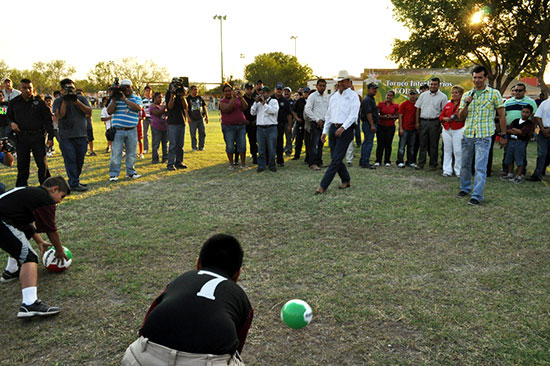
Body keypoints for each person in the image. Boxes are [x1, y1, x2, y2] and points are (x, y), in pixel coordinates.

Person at [122, 234, 253, 366]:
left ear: (197, 264)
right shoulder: (240, 298)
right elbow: (235, 349)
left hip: (144, 357)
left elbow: (146, 323)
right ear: (238, 275)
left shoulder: (181, 280)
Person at [0, 176, 69, 318]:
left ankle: (11, 271)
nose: (59, 201)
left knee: (18, 241)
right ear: (54, 189)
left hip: (5, 219)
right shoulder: (45, 199)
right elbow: (51, 229)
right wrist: (59, 251)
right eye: (61, 196)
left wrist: (39, 241)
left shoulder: (31, 193)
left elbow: (23, 222)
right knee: (29, 257)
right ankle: (29, 304)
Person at [456, 65, 506, 206]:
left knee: (480, 166)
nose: (477, 80)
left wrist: (503, 134)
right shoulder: (467, 95)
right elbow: (460, 117)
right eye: (475, 78)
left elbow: (502, 115)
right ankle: (465, 188)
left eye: (480, 77)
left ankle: (477, 195)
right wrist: (466, 104)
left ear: (485, 78)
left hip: (484, 135)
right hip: (468, 134)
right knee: (465, 164)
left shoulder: (494, 94)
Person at [315, 74, 360, 194]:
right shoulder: (334, 97)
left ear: (348, 82)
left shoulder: (353, 96)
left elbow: (353, 115)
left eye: (343, 81)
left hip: (346, 130)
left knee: (335, 159)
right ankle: (346, 180)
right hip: (333, 129)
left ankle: (323, 186)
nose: (340, 84)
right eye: (339, 82)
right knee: (335, 157)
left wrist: (343, 127)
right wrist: (325, 131)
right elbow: (329, 115)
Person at [7, 79, 53, 187]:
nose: (27, 90)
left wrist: (50, 137)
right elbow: (8, 117)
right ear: (20, 88)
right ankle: (21, 188)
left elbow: (48, 121)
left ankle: (46, 187)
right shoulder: (14, 102)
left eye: (30, 88)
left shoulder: (39, 103)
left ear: (33, 89)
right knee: (22, 165)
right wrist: (12, 123)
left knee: (42, 164)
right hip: (21, 137)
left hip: (37, 136)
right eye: (24, 88)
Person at [52, 80, 92, 192]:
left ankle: (75, 180)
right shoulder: (58, 100)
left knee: (80, 160)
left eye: (72, 88)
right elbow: (60, 115)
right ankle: (74, 183)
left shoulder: (81, 99)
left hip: (81, 134)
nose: (70, 91)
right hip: (66, 136)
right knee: (70, 159)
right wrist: (65, 100)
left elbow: (89, 112)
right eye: (67, 89)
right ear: (62, 90)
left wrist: (76, 102)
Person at [107, 79, 143, 181]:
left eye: (128, 86)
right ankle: (114, 174)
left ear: (132, 87)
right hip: (118, 130)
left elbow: (138, 108)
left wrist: (125, 100)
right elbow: (109, 112)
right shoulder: (115, 99)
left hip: (132, 129)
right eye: (125, 87)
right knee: (116, 153)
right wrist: (114, 99)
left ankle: (130, 172)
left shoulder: (136, 98)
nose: (127, 89)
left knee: (131, 153)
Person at [502, 83, 537, 173]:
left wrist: (531, 130)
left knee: (521, 152)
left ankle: (521, 171)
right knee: (508, 151)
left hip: (523, 131)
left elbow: (534, 117)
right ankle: (507, 170)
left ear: (525, 91)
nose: (517, 92)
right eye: (515, 90)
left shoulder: (530, 102)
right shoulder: (508, 101)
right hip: (509, 130)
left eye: (520, 90)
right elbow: (503, 115)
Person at [415, 77, 448, 170]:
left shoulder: (443, 97)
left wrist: (441, 125)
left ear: (438, 85)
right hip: (423, 122)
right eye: (431, 84)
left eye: (435, 84)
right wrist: (417, 122)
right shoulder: (423, 95)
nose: (433, 86)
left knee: (434, 144)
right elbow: (418, 108)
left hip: (435, 122)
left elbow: (444, 112)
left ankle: (433, 164)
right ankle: (421, 163)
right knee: (422, 144)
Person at [500, 105, 534, 184]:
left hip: (520, 142)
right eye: (523, 112)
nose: (524, 114)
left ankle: (519, 175)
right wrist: (515, 131)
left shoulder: (529, 123)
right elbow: (509, 129)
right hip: (511, 141)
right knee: (509, 157)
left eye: (527, 112)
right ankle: (510, 173)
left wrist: (515, 130)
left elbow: (523, 132)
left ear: (530, 114)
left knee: (519, 158)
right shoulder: (516, 121)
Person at [219, 84, 248, 170]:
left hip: (240, 126)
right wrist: (234, 99)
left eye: (229, 90)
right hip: (228, 127)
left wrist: (241, 97)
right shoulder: (222, 102)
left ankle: (243, 163)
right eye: (226, 91)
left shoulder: (238, 99)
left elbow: (245, 107)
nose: (228, 92)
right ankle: (231, 164)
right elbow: (227, 109)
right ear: (224, 93)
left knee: (242, 145)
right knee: (230, 146)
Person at [439, 85, 466, 177]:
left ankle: (458, 171)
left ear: (461, 94)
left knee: (458, 150)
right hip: (446, 129)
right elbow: (441, 116)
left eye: (456, 93)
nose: (454, 95)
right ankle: (447, 170)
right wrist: (445, 118)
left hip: (458, 129)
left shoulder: (463, 105)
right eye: (453, 93)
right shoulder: (448, 104)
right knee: (447, 150)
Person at [251, 86, 279, 172]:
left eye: (264, 92)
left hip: (271, 127)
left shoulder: (274, 101)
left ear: (268, 93)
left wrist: (264, 104)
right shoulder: (258, 103)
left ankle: (272, 164)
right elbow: (252, 112)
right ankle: (261, 165)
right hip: (260, 128)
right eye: (261, 93)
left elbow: (274, 111)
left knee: (271, 148)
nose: (262, 94)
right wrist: (256, 103)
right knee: (261, 148)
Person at [166, 78, 190, 171]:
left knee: (180, 144)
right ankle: (170, 163)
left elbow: (186, 106)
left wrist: (182, 96)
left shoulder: (181, 94)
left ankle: (179, 162)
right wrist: (172, 95)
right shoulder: (169, 93)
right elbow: (170, 106)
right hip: (172, 122)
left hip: (181, 121)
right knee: (173, 144)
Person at [304, 79, 329, 171]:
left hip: (324, 123)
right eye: (320, 85)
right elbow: (307, 110)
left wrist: (325, 120)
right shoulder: (312, 96)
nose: (322, 87)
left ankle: (319, 162)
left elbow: (328, 110)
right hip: (315, 123)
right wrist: (316, 119)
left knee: (321, 143)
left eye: (324, 86)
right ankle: (312, 163)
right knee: (313, 144)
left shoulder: (326, 97)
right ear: (316, 86)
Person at [527, 98, 550, 182]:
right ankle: (537, 174)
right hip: (543, 132)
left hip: (546, 130)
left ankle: (542, 170)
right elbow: (537, 116)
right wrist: (543, 129)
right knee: (541, 154)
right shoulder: (545, 103)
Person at [375, 90, 399, 167]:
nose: (389, 97)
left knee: (388, 144)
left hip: (390, 126)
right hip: (381, 126)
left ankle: (387, 161)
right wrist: (383, 116)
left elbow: (397, 115)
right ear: (386, 96)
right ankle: (378, 160)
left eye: (391, 95)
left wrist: (391, 117)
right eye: (388, 95)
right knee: (380, 143)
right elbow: (376, 114)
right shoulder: (381, 104)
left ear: (393, 97)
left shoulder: (395, 106)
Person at [359, 82, 379, 169]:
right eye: (373, 88)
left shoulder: (371, 98)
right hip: (368, 124)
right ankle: (365, 162)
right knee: (368, 143)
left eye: (376, 89)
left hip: (368, 124)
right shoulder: (367, 100)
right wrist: (372, 125)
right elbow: (368, 113)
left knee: (366, 142)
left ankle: (363, 161)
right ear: (368, 89)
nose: (375, 90)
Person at [397, 89, 418, 168]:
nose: (412, 96)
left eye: (414, 94)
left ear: (416, 95)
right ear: (408, 95)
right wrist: (401, 128)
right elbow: (400, 116)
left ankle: (410, 161)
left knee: (411, 146)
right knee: (402, 146)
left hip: (413, 129)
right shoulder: (404, 104)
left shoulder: (417, 105)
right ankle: (400, 161)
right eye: (411, 94)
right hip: (405, 128)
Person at [274, 83, 292, 167]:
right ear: (275, 90)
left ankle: (280, 160)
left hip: (281, 124)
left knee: (280, 143)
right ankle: (270, 159)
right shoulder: (270, 99)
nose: (279, 91)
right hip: (271, 124)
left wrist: (290, 125)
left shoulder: (285, 101)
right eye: (278, 89)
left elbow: (289, 114)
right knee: (271, 143)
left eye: (280, 89)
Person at [187, 85, 208, 151]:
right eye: (194, 90)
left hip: (200, 118)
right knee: (193, 134)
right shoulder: (188, 99)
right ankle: (194, 147)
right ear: (191, 90)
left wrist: (206, 116)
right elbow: (186, 109)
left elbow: (204, 107)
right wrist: (188, 118)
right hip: (192, 119)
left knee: (202, 133)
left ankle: (201, 146)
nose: (196, 91)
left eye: (196, 89)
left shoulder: (199, 98)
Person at [149, 92, 169, 164]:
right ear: (154, 98)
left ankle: (165, 158)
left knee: (165, 144)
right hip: (156, 127)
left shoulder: (162, 106)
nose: (160, 99)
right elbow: (158, 113)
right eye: (159, 97)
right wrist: (165, 107)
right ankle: (155, 159)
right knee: (156, 144)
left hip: (165, 127)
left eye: (161, 97)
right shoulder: (152, 106)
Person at [291, 88, 310, 160]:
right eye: (305, 92)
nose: (306, 94)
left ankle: (308, 157)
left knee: (308, 141)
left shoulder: (311, 101)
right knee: (298, 140)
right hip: (300, 122)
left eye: (307, 92)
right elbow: (293, 110)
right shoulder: (299, 101)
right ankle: (296, 155)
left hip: (308, 123)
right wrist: (297, 118)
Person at [243, 83, 258, 164]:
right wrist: (244, 120)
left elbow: (258, 110)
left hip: (253, 123)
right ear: (245, 89)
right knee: (240, 141)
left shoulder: (254, 99)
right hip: (244, 123)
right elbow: (240, 110)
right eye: (248, 88)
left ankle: (255, 157)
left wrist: (256, 120)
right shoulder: (242, 98)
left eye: (250, 89)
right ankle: (236, 158)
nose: (249, 90)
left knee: (253, 141)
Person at [141, 86, 153, 154]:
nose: (148, 92)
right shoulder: (142, 100)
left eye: (149, 91)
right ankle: (146, 148)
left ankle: (154, 148)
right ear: (144, 92)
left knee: (154, 133)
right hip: (145, 118)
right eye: (146, 91)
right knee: (145, 134)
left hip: (153, 118)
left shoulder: (153, 100)